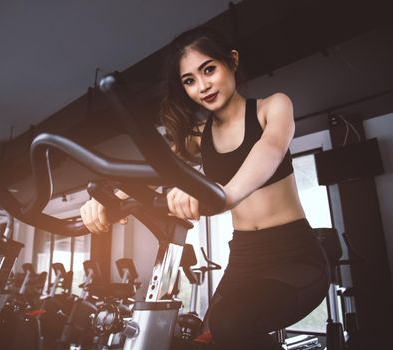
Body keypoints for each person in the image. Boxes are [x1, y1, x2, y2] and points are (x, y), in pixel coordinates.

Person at [80, 26, 329, 350]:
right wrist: (108, 198)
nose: (202, 86)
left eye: (208, 69)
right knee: (205, 340)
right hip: (244, 258)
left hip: (295, 258)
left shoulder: (273, 107)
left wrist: (221, 193)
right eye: (189, 80)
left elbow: (269, 151)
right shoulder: (198, 134)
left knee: (229, 325)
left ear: (232, 62)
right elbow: (159, 169)